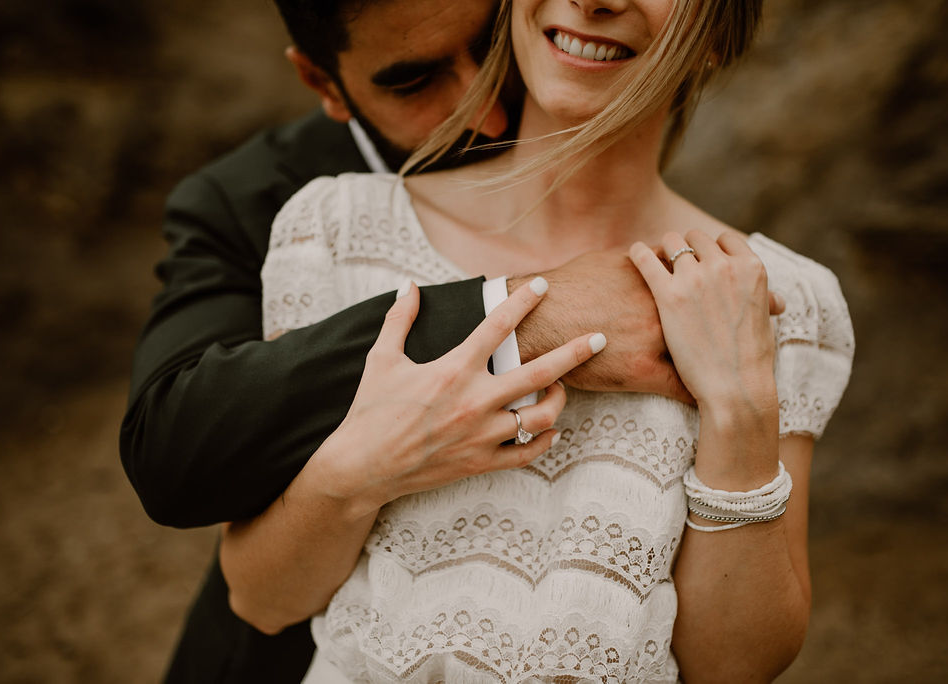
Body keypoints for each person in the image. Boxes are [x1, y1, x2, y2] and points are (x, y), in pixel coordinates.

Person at [219, 0, 855, 681]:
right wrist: (380, 460)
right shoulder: (339, 230)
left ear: (715, 35)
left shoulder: (777, 295)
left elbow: (734, 666)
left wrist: (739, 409)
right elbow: (264, 598)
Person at [122, 0, 721, 681]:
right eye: (412, 81)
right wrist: (513, 318)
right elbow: (172, 444)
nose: (488, 113)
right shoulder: (256, 198)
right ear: (324, 84)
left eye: (490, 45)